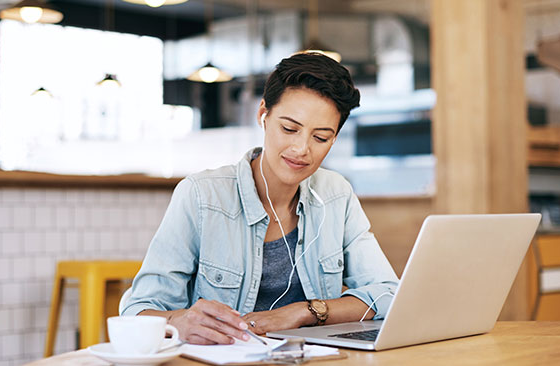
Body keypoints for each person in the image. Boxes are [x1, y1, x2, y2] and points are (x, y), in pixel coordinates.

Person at [120, 52, 398, 345]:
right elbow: (136, 311)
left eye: (320, 138)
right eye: (289, 129)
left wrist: (305, 312)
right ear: (263, 115)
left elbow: (388, 293)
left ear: (334, 138)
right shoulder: (202, 195)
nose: (302, 149)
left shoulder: (336, 195)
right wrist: (179, 321)